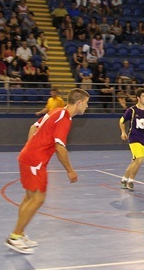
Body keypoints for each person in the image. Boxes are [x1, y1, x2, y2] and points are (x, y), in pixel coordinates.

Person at [5, 88, 90, 254]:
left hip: (29, 158)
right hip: (35, 162)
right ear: (79, 102)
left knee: (30, 197)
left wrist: (30, 148)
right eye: (86, 103)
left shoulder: (56, 111)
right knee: (38, 198)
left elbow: (33, 127)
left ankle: (19, 234)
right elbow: (60, 147)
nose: (87, 107)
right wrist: (70, 170)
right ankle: (15, 236)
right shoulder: (64, 118)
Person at [118, 88, 144, 191]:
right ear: (138, 98)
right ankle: (131, 181)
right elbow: (121, 121)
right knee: (140, 159)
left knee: (135, 161)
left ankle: (124, 178)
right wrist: (123, 132)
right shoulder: (132, 110)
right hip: (134, 137)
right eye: (143, 96)